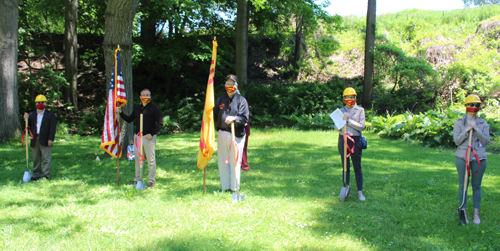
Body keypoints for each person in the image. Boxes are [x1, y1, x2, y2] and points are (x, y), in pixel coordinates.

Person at [453, 94, 490, 224]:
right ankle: (463, 211)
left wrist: (477, 129)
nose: (473, 107)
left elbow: (486, 141)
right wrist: (467, 130)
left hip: (479, 158)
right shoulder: (459, 123)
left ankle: (476, 213)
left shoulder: (483, 123)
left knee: (476, 186)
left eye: (476, 105)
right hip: (462, 158)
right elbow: (457, 141)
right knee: (463, 185)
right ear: (466, 106)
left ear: (479, 107)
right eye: (471, 105)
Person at [118, 89, 163, 188]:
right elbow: (129, 119)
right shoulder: (137, 108)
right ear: (140, 97)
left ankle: (151, 181)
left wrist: (152, 134)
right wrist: (120, 113)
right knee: (138, 160)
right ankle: (137, 179)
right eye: (143, 95)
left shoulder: (155, 108)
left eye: (147, 95)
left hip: (149, 138)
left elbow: (160, 123)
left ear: (150, 97)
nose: (145, 96)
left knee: (150, 160)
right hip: (138, 137)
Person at [214, 74, 249, 194]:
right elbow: (214, 115)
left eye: (232, 84)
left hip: (236, 135)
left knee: (235, 162)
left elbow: (244, 118)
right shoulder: (220, 99)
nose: (230, 86)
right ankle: (225, 187)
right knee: (222, 161)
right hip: (222, 134)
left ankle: (234, 188)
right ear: (225, 85)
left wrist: (234, 118)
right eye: (228, 83)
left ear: (236, 85)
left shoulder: (241, 100)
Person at [335, 87, 366, 201]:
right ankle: (345, 188)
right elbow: (336, 127)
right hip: (343, 139)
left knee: (357, 166)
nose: (350, 99)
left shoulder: (360, 110)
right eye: (347, 97)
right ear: (344, 98)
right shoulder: (340, 111)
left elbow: (361, 126)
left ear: (355, 98)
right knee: (345, 166)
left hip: (356, 140)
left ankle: (360, 192)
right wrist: (341, 121)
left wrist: (349, 121)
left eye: (352, 97)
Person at [24, 94, 57, 181]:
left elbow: (52, 128)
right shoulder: (32, 115)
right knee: (36, 158)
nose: (40, 104)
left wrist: (50, 139)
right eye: (38, 102)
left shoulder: (50, 115)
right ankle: (36, 175)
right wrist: (25, 119)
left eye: (42, 102)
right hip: (35, 139)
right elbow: (27, 127)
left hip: (46, 139)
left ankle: (46, 176)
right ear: (35, 104)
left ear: (45, 104)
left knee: (46, 159)